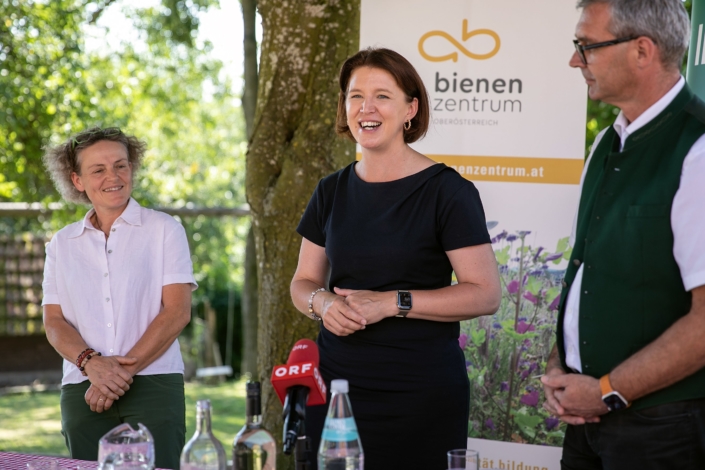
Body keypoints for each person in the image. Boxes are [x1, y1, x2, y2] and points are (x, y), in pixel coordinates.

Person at [290, 48, 502, 470]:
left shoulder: (448, 191)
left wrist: (391, 302)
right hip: (336, 390)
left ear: (411, 109)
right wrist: (323, 303)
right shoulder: (330, 190)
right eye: (355, 96)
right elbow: (302, 283)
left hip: (421, 392)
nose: (366, 108)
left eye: (382, 96)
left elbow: (485, 295)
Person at [541, 1, 705, 468]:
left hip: (663, 427)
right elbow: (589, 271)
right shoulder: (606, 142)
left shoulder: (698, 148)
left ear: (642, 51)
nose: (576, 60)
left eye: (586, 46)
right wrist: (561, 363)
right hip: (590, 421)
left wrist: (608, 392)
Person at [41, 127, 197, 469]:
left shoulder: (165, 230)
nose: (112, 176)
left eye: (121, 165)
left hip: (155, 385)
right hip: (83, 388)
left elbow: (177, 312)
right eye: (98, 169)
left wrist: (118, 374)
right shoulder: (61, 245)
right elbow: (53, 322)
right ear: (77, 180)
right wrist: (91, 364)